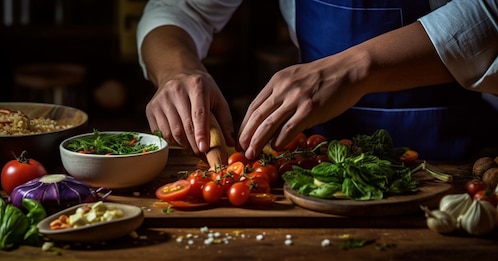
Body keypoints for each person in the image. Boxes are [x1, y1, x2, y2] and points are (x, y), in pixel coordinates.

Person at [136, 0, 498, 162]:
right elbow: (181, 9)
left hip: (468, 163)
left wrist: (354, 68)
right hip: (317, 164)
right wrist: (177, 70)